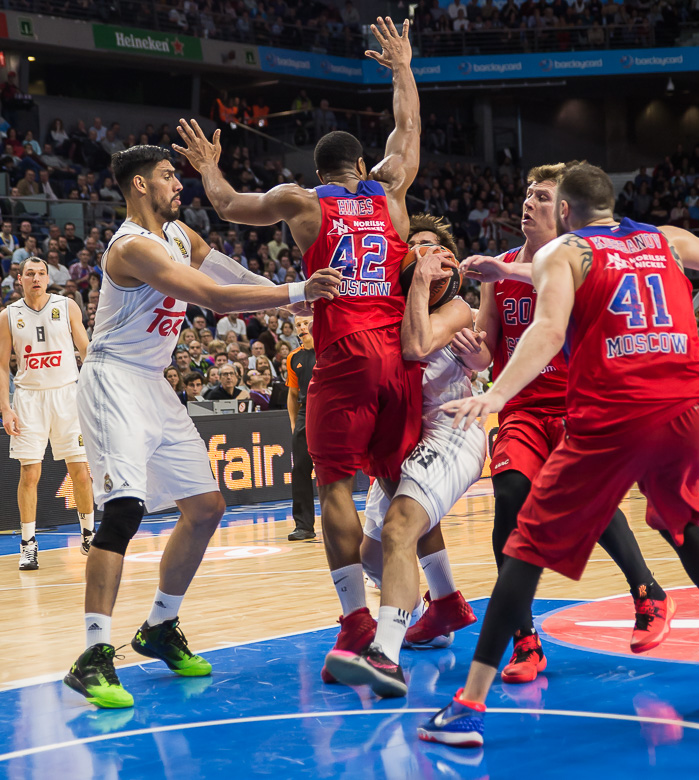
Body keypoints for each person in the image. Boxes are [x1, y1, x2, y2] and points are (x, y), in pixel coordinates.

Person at [420, 162, 699, 747]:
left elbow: (545, 330)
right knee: (682, 524)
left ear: (565, 211)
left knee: (526, 546)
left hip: (620, 409)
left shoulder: (568, 251)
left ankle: (468, 707)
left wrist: (495, 395)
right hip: (693, 408)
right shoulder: (662, 238)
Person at [174, 17, 423, 682]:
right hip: (400, 358)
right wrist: (401, 66)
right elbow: (408, 131)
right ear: (363, 168)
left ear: (317, 173)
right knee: (401, 488)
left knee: (333, 485)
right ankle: (428, 605)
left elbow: (226, 207)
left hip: (343, 354)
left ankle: (358, 622)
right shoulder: (393, 187)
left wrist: (208, 167)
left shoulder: (301, 201)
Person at [63, 145, 340, 709]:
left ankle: (159, 627)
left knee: (207, 507)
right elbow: (211, 296)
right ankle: (93, 654)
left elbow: (225, 272)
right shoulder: (131, 247)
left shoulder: (181, 236)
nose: (178, 184)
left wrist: (283, 307)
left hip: (153, 383)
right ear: (138, 185)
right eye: (168, 177)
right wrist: (294, 292)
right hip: (113, 379)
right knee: (123, 511)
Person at [448, 164, 672, 686]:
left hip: (577, 404)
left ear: (564, 210)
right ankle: (524, 639)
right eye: (526, 194)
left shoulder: (581, 260)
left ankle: (647, 591)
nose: (529, 202)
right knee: (509, 495)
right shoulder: (499, 269)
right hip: (523, 410)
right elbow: (486, 350)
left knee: (591, 502)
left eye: (542, 196)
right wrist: (474, 354)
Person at [324, 214, 482, 697]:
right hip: (401, 436)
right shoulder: (386, 300)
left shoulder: (456, 306)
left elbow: (415, 347)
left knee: (399, 529)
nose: (421, 255)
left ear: (449, 263)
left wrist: (422, 278)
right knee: (374, 555)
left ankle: (384, 654)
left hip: (450, 428)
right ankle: (442, 603)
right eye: (413, 249)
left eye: (433, 249)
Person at [0, 256, 95, 570]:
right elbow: (2, 366)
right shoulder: (8, 315)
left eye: (41, 273)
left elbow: (86, 350)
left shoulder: (66, 306)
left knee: (80, 472)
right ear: (20, 279)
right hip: (29, 399)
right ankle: (28, 544)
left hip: (68, 394)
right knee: (30, 474)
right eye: (30, 274)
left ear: (47, 277)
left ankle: (88, 534)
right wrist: (6, 407)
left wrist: (96, 388)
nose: (36, 278)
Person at [286, 315, 317, 541]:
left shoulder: (329, 349)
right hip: (306, 413)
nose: (301, 327)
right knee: (300, 470)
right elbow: (293, 394)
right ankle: (304, 526)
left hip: (330, 409)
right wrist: (294, 423)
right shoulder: (293, 358)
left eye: (305, 322)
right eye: (298, 324)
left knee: (331, 472)